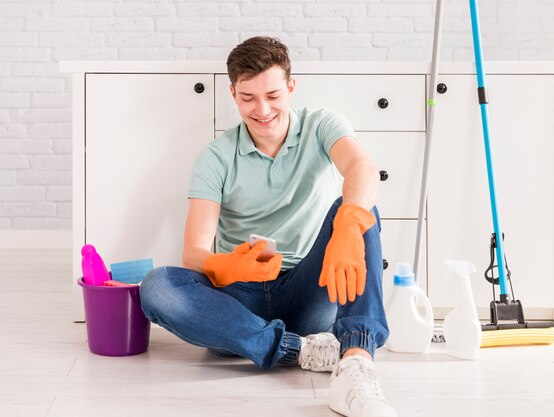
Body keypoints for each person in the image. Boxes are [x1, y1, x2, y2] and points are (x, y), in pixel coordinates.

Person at [139, 36, 397, 417]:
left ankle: (355, 361)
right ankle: (300, 350)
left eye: (273, 95)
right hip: (237, 302)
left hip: (308, 292)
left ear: (291, 87)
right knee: (157, 286)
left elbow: (362, 168)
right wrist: (226, 266)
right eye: (248, 98)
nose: (262, 110)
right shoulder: (216, 157)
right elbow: (193, 251)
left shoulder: (321, 125)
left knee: (360, 208)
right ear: (233, 93)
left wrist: (347, 225)